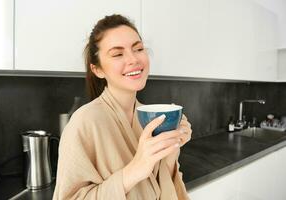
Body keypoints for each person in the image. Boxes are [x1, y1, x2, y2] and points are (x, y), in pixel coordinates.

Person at [53, 14, 192, 200]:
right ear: (98, 69)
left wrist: (171, 151)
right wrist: (136, 168)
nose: (133, 59)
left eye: (139, 49)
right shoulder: (83, 122)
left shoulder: (150, 117)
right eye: (118, 54)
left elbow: (162, 188)